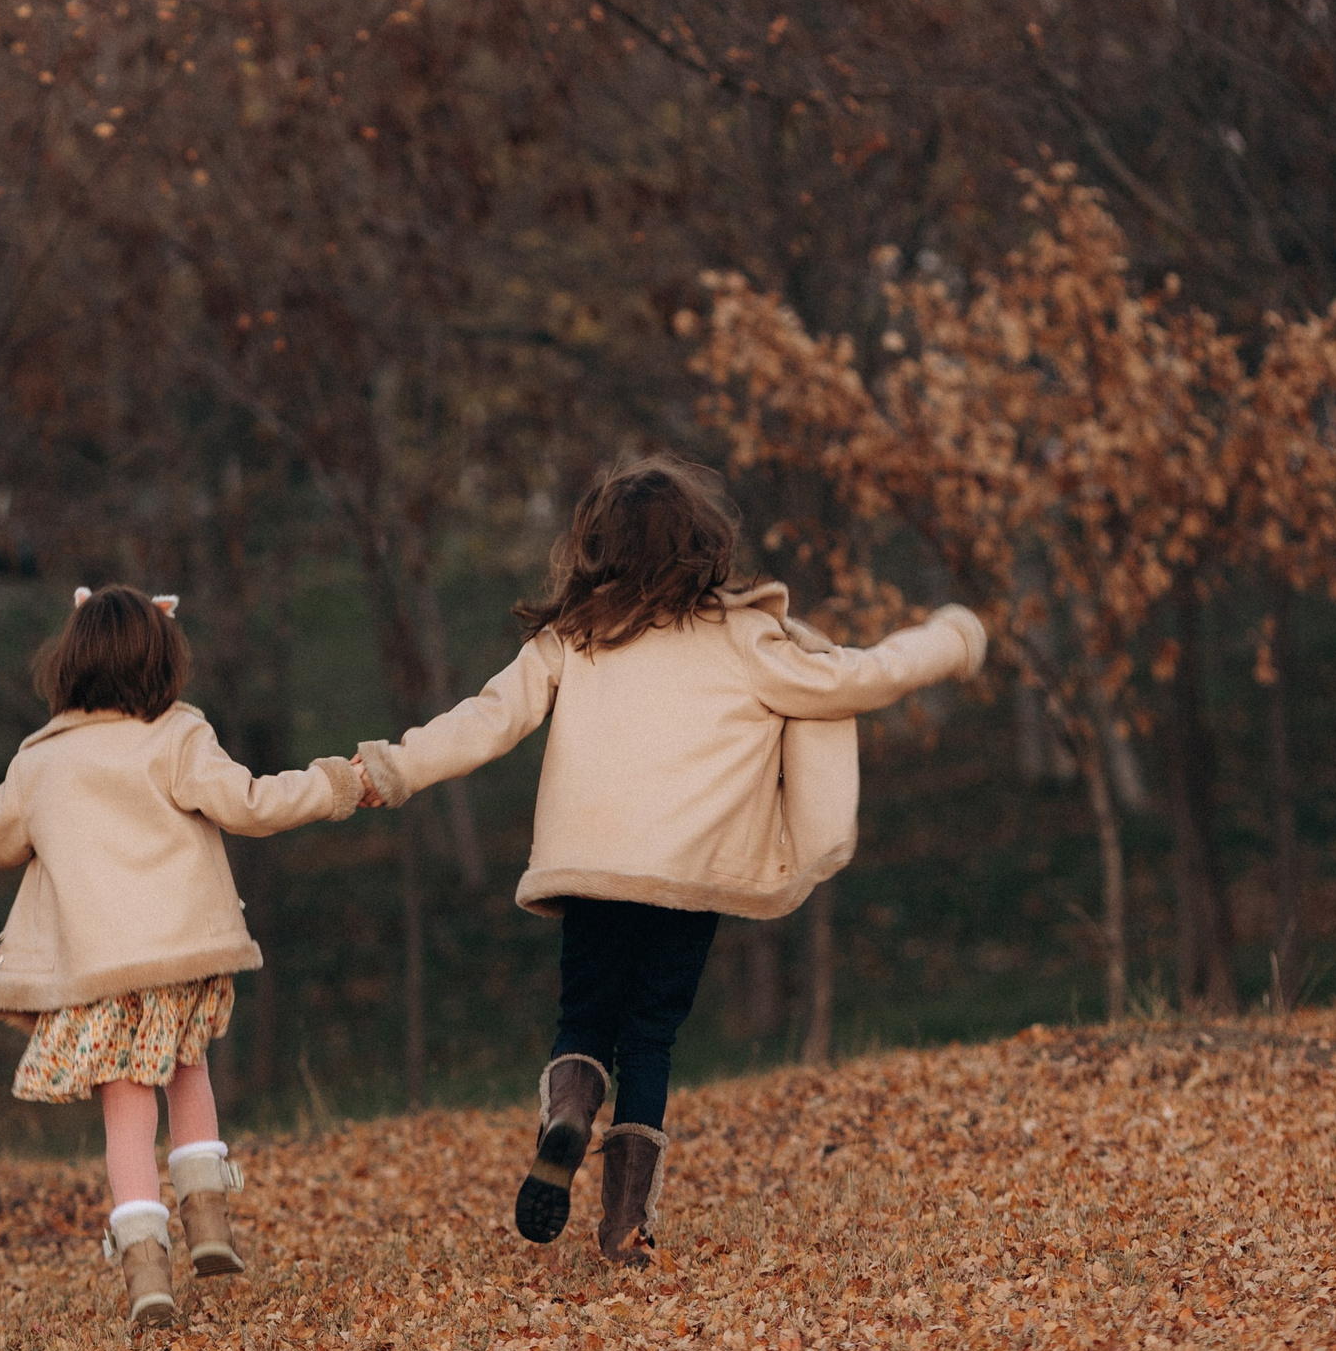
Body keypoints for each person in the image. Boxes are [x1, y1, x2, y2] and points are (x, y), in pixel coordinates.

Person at [352, 457, 985, 1266]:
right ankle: (625, 1229)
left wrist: (392, 769)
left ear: (594, 548)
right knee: (649, 1039)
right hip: (687, 880)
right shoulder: (744, 637)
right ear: (703, 544)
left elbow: (485, 721)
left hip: (592, 870)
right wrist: (948, 641)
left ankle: (569, 1115)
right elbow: (859, 676)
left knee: (583, 1021)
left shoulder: (573, 638)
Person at [0, 584, 366, 1329]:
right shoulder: (179, 736)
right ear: (163, 659)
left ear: (69, 664)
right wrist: (334, 786)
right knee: (188, 1067)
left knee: (124, 1110)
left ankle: (146, 1267)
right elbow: (250, 804)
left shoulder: (42, 761)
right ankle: (208, 1219)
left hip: (100, 968)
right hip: (181, 950)